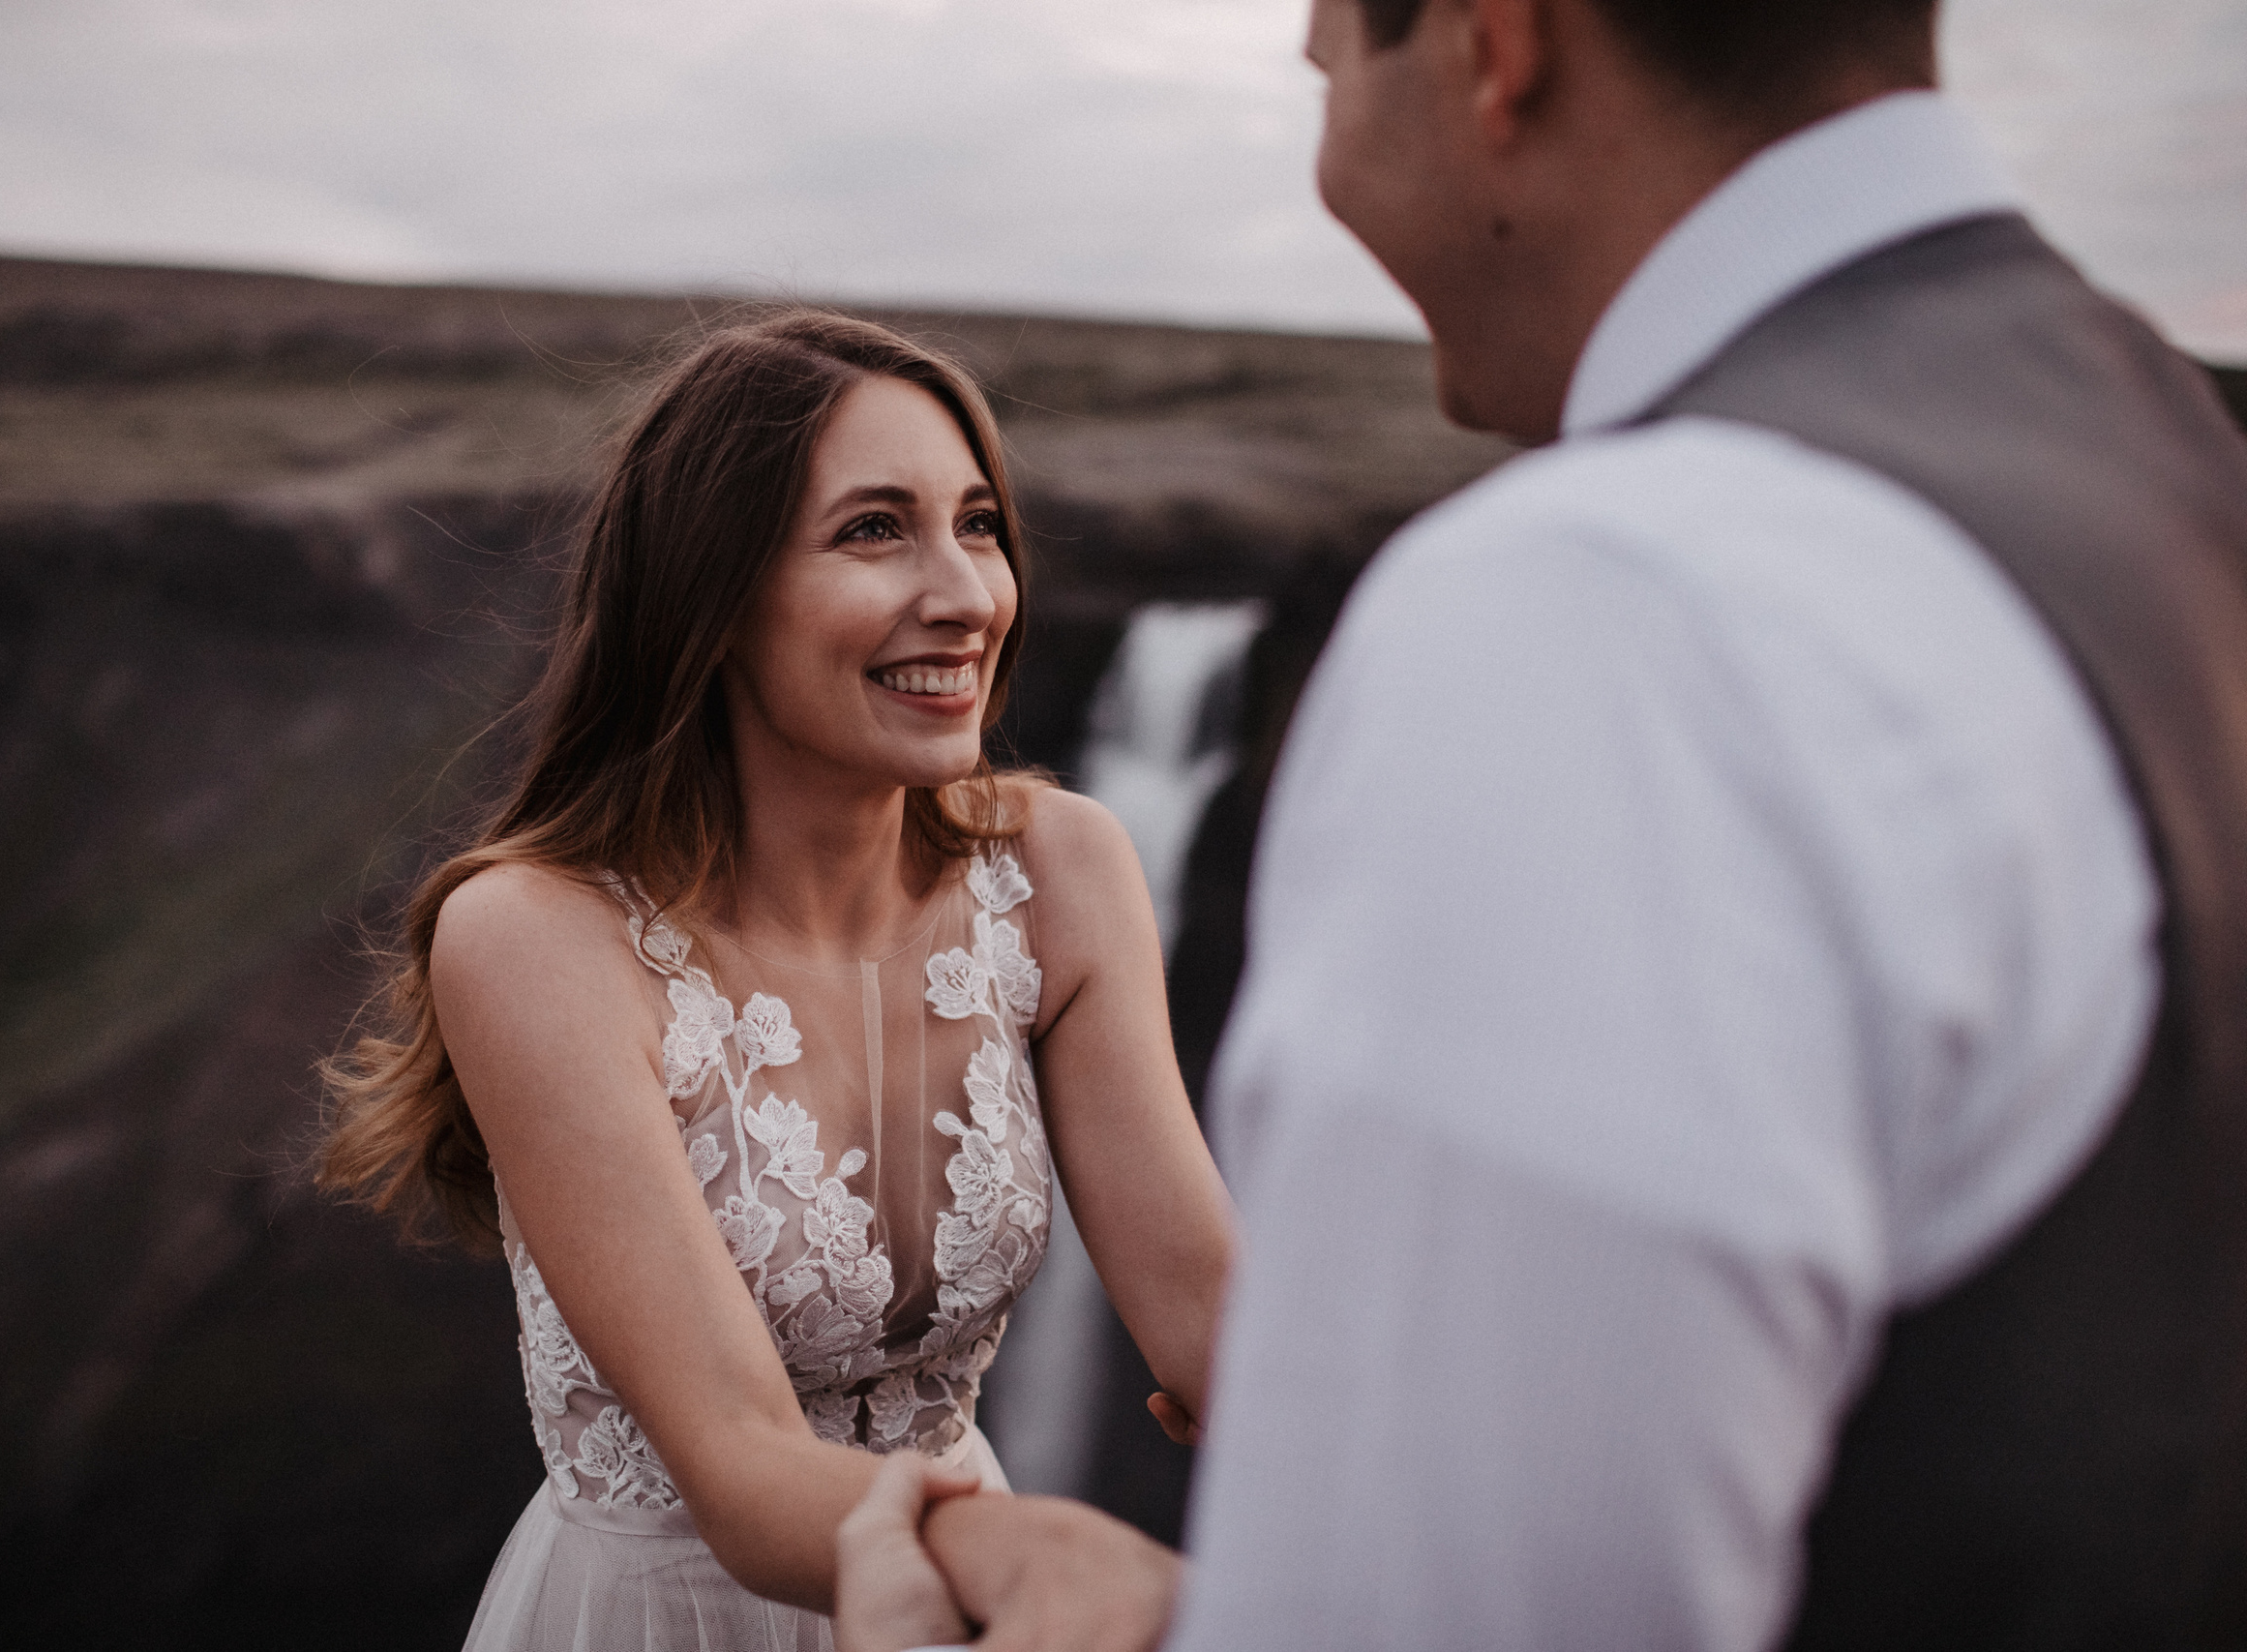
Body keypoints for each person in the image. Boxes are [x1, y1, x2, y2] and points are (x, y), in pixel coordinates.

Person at [837, 0, 2247, 1647]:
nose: (1328, 151)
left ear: (1496, 46)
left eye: (1331, 66)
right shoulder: (2171, 465)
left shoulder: (1610, 607)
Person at [317, 311, 1229, 1652]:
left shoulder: (1068, 867)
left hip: (982, 1594)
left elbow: (1209, 1308)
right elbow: (740, 1463)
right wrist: (1030, 1553)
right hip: (689, 1617)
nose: (968, 594)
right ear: (714, 593)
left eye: (979, 524)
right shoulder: (534, 937)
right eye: (875, 530)